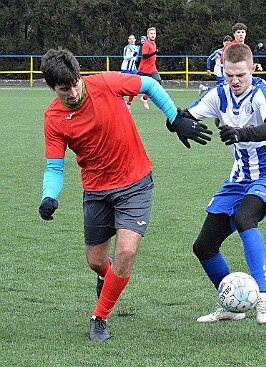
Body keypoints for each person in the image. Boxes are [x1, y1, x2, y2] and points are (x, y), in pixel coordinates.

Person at [38, 48, 212, 342]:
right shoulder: (54, 118)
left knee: (126, 251)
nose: (72, 92)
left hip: (135, 182)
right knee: (96, 260)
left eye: (75, 84)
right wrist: (48, 196)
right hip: (96, 190)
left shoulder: (106, 82)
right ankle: (106, 277)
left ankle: (100, 318)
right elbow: (54, 167)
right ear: (52, 88)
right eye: (63, 89)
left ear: (80, 76)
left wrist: (174, 117)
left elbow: (149, 84)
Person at [175, 43, 266, 324]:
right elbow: (183, 116)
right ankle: (232, 305)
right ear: (223, 71)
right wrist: (176, 123)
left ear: (252, 69)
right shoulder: (219, 95)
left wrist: (242, 133)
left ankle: (262, 297)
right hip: (239, 178)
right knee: (203, 246)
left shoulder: (262, 91)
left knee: (244, 217)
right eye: (230, 75)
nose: (235, 81)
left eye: (241, 75)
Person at [137, 27, 161, 110]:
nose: (153, 35)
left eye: (154, 33)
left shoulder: (154, 44)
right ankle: (128, 103)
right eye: (151, 33)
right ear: (148, 35)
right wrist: (154, 52)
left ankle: (144, 99)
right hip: (144, 69)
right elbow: (144, 56)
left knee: (158, 82)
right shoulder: (146, 44)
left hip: (152, 68)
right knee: (135, 87)